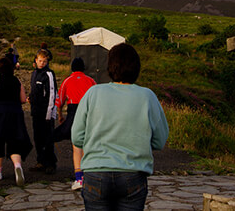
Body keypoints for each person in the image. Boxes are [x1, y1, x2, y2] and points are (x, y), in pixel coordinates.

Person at [72, 43, 169, 210]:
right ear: (137, 67)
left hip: (96, 174)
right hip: (133, 175)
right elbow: (159, 141)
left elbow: (77, 137)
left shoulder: (93, 93)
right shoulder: (148, 96)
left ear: (109, 67)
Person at [0, 57, 32, 186]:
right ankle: (17, 165)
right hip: (15, 113)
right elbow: (23, 99)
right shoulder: (17, 81)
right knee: (14, 140)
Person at [54, 57, 96, 190]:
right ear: (83, 67)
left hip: (73, 112)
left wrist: (60, 116)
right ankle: (89, 176)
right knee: (88, 144)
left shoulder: (67, 81)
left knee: (76, 144)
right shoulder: (91, 81)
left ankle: (79, 178)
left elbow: (59, 101)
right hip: (88, 112)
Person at [28, 48, 58, 174]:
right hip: (36, 111)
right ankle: (41, 161)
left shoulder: (49, 74)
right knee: (38, 138)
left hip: (46, 112)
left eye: (44, 61)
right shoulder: (34, 73)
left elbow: (52, 94)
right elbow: (34, 89)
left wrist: (49, 114)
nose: (42, 63)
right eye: (40, 61)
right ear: (36, 60)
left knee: (48, 138)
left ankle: (51, 163)